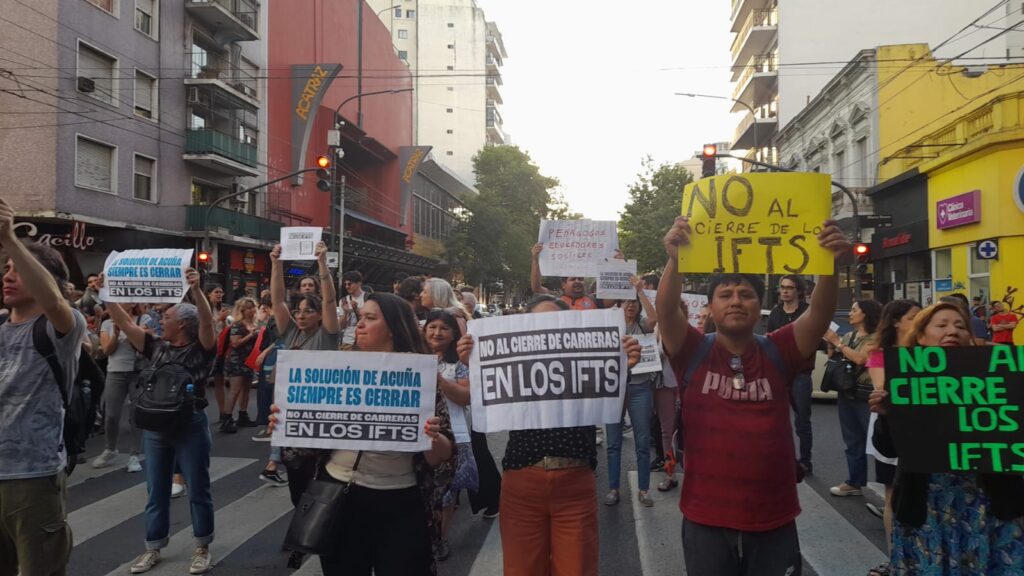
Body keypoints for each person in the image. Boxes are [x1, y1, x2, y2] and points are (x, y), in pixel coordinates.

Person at [657, 215, 849, 576]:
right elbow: (666, 311)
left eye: (746, 295)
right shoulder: (691, 350)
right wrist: (676, 259)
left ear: (758, 306)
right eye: (725, 295)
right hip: (705, 517)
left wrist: (829, 265)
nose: (736, 301)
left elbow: (819, 315)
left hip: (772, 516)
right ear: (710, 308)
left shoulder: (780, 350)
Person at [456, 294, 642, 576]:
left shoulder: (585, 364)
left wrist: (620, 369)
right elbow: (482, 401)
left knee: (577, 569)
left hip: (575, 486)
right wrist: (475, 362)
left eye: (554, 322)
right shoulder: (514, 363)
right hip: (521, 485)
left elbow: (614, 411)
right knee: (522, 569)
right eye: (539, 322)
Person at [270, 292, 454, 576]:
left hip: (401, 502)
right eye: (360, 318)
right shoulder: (338, 368)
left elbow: (442, 455)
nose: (360, 325)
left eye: (370, 318)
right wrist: (286, 421)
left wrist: (432, 436)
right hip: (340, 498)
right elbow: (302, 450)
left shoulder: (420, 377)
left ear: (393, 327)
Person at [870, 302, 1024, 574]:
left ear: (969, 337)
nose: (952, 331)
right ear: (920, 337)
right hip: (927, 507)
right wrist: (888, 415)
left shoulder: (996, 379)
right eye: (941, 325)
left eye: (960, 326)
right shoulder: (906, 385)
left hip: (988, 505)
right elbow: (888, 449)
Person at [104, 269, 217, 574]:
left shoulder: (201, 349)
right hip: (155, 429)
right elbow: (125, 323)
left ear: (182, 323)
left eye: (166, 316)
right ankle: (153, 547)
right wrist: (107, 291)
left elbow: (207, 322)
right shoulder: (156, 345)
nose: (159, 320)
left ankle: (202, 546)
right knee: (156, 491)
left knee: (198, 488)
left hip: (189, 425)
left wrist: (196, 291)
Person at [0, 197, 86, 576]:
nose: (7, 275)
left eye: (17, 268)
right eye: (4, 268)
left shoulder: (62, 329)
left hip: (32, 480)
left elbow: (53, 301)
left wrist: (9, 238)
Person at [269, 241, 339, 568]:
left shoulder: (327, 335)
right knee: (298, 487)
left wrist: (322, 263)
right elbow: (278, 299)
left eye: (307, 310)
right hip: (294, 421)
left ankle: (325, 537)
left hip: (324, 419)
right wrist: (276, 263)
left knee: (324, 484)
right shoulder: (289, 334)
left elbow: (329, 299)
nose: (300, 314)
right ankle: (303, 535)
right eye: (298, 311)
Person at [862, 299, 921, 576]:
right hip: (891, 432)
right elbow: (882, 388)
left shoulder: (928, 352)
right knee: (892, 496)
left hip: (925, 432)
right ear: (896, 321)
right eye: (913, 316)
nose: (919, 320)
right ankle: (895, 556)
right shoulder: (880, 355)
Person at [424, 309, 476, 561]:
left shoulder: (461, 365)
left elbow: (466, 397)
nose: (437, 332)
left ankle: (441, 539)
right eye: (432, 326)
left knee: (446, 495)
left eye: (444, 328)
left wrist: (436, 379)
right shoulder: (411, 359)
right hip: (421, 437)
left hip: (454, 435)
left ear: (453, 334)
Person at [822, 299, 882, 497]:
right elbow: (838, 356)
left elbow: (861, 359)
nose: (850, 313)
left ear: (865, 314)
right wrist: (831, 343)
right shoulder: (850, 334)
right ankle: (855, 481)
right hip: (846, 391)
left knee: (875, 439)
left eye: (854, 309)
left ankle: (889, 484)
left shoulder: (875, 338)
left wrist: (838, 342)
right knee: (852, 439)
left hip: (865, 393)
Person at [605, 290, 658, 508]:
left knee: (642, 443)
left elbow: (655, 319)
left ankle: (644, 490)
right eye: (626, 302)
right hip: (615, 389)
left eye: (634, 302)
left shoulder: (644, 326)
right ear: (620, 304)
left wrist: (640, 290)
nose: (630, 306)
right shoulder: (610, 326)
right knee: (613, 443)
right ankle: (613, 489)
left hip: (639, 388)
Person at [93, 304, 151, 472]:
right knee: (111, 415)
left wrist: (132, 332)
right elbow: (106, 350)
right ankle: (110, 449)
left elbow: (144, 346)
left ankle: (134, 454)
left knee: (136, 415)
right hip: (115, 372)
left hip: (137, 372)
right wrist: (116, 336)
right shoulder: (107, 324)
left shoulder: (143, 319)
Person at [767, 275, 815, 475]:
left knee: (802, 420)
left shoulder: (807, 312)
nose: (785, 291)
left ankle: (805, 461)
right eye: (782, 287)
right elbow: (768, 340)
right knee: (775, 419)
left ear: (798, 291)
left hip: (801, 373)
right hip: (779, 372)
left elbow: (814, 338)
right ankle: (781, 459)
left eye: (789, 288)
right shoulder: (775, 313)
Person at [222, 297, 259, 431]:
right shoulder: (238, 324)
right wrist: (251, 335)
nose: (251, 310)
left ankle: (243, 415)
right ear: (242, 310)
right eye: (248, 308)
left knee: (246, 390)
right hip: (236, 361)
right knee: (235, 390)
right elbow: (235, 343)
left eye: (252, 307)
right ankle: (226, 418)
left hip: (249, 361)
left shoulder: (257, 323)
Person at [530, 243, 597, 310]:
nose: (577, 281)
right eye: (573, 279)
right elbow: (537, 288)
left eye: (580, 279)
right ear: (563, 284)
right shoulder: (555, 298)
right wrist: (535, 260)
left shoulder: (594, 299)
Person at [338, 270, 367, 350]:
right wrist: (345, 313)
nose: (347, 286)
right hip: (348, 342)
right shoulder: (343, 301)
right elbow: (341, 326)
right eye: (345, 284)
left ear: (359, 283)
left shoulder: (368, 298)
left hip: (365, 341)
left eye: (350, 284)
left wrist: (356, 309)